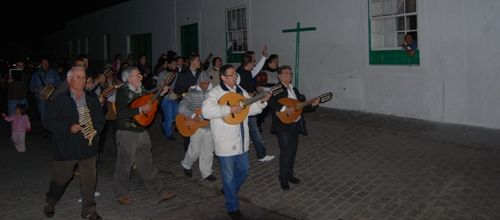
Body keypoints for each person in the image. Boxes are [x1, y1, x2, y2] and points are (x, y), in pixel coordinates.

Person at [202, 64, 270, 220]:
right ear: (223, 77)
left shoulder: (240, 91)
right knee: (228, 176)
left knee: (244, 170)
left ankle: (228, 190)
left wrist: (261, 101)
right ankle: (232, 206)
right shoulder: (215, 93)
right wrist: (228, 110)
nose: (235, 77)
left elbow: (251, 110)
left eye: (235, 74)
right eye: (231, 75)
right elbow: (206, 111)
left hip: (242, 141)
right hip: (225, 142)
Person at [43, 67, 104, 220]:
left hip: (87, 145)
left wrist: (95, 129)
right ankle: (50, 201)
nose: (82, 81)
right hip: (66, 146)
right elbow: (49, 122)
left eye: (84, 78)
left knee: (89, 179)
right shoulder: (59, 99)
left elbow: (99, 119)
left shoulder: (91, 98)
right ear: (70, 80)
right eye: (78, 77)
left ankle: (88, 210)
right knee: (61, 178)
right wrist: (68, 128)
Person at [113, 66, 176, 205]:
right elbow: (121, 112)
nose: (141, 77)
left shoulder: (143, 90)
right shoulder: (122, 92)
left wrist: (161, 93)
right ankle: (121, 193)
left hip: (142, 131)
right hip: (127, 132)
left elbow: (152, 104)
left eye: (140, 74)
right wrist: (140, 109)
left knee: (147, 163)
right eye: (137, 75)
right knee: (124, 165)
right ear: (128, 78)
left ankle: (158, 192)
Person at [267, 65, 320, 191]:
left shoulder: (294, 90)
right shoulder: (277, 88)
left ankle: (290, 175)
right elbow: (270, 102)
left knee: (293, 151)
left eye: (290, 73)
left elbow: (300, 107)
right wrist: (285, 109)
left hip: (295, 124)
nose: (289, 75)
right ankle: (283, 179)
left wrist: (312, 105)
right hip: (283, 124)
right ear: (279, 76)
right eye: (286, 73)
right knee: (286, 152)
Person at [179, 72, 216, 181]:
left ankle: (206, 172)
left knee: (208, 151)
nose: (205, 85)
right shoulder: (191, 94)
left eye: (207, 83)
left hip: (209, 126)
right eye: (203, 83)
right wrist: (193, 115)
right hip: (196, 127)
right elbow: (181, 107)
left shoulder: (213, 94)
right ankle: (186, 165)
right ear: (199, 82)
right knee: (194, 150)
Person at [29, 58, 61, 130]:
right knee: (43, 115)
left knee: (52, 115)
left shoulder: (54, 73)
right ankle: (46, 130)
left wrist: (54, 87)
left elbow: (60, 84)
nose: (46, 64)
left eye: (47, 63)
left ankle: (52, 130)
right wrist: (37, 90)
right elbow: (31, 87)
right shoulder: (35, 75)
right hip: (41, 99)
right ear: (41, 64)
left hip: (52, 98)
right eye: (44, 63)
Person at [157, 58, 178, 140]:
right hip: (165, 98)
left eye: (175, 64)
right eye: (173, 64)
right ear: (168, 65)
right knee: (169, 117)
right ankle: (168, 134)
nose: (175, 65)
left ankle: (164, 124)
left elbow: (177, 86)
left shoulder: (176, 74)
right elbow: (158, 86)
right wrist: (167, 89)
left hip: (174, 97)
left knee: (176, 115)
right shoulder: (163, 74)